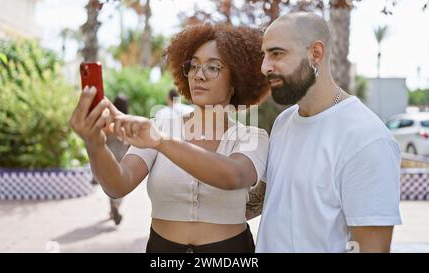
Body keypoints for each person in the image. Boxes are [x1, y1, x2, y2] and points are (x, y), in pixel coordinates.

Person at [70, 23, 270, 253]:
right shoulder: (161, 126)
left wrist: (161, 142)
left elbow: (234, 176)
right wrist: (94, 143)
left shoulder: (251, 136)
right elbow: (118, 184)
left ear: (236, 79)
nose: (199, 75)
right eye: (193, 66)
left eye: (213, 67)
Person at [249, 12, 402, 253]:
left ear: (315, 54)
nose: (264, 67)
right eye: (264, 55)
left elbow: (371, 248)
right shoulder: (284, 122)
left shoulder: (367, 139)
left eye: (276, 53)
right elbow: (265, 200)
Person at [105, 93, 130, 225]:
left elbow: (104, 134)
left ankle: (112, 207)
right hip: (122, 155)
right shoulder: (127, 120)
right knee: (121, 183)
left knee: (110, 183)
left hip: (109, 154)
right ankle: (116, 206)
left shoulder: (109, 119)